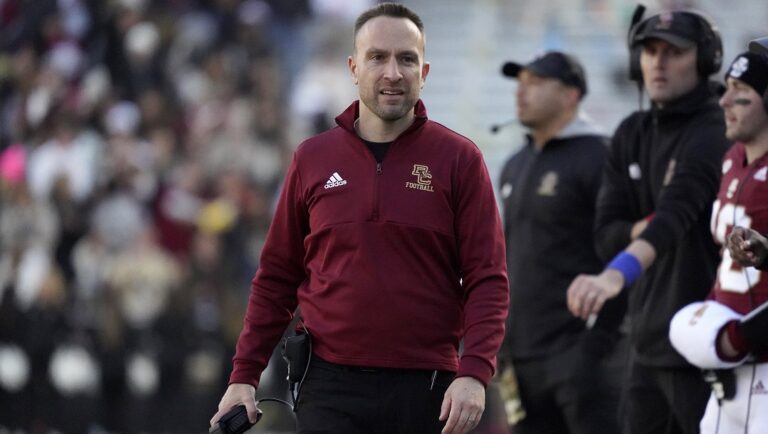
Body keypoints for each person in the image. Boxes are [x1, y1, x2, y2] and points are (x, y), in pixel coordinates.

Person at [209, 3, 510, 434]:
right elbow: (277, 276)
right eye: (378, 57)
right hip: (327, 386)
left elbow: (488, 278)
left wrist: (475, 371)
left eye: (407, 59)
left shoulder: (460, 160)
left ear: (424, 72)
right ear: (353, 68)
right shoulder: (312, 159)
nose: (393, 72)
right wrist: (243, 376)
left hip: (428, 390)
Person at [565, 9, 731, 434]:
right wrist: (640, 232)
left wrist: (616, 275)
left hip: (708, 343)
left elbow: (676, 215)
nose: (659, 61)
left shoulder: (716, 128)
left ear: (706, 58)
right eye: (651, 49)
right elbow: (606, 236)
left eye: (674, 51)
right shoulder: (630, 132)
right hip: (646, 346)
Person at [496, 51, 623, 434]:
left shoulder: (600, 155)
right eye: (519, 83)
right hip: (522, 356)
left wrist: (597, 343)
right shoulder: (515, 163)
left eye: (535, 83)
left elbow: (623, 248)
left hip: (581, 353)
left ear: (571, 94)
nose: (521, 92)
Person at [669, 50, 768, 434]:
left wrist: (741, 335)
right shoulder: (731, 159)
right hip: (726, 374)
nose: (724, 101)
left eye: (740, 91)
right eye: (726, 89)